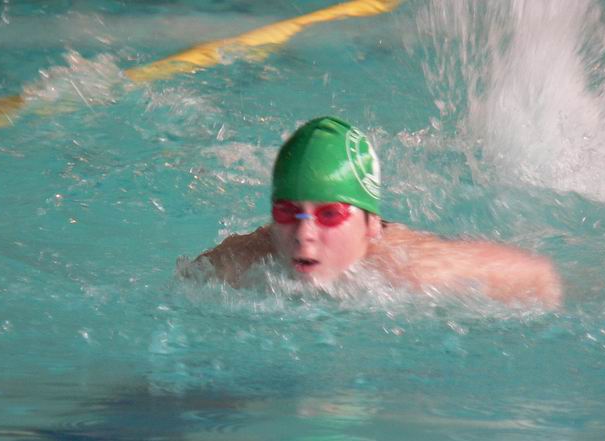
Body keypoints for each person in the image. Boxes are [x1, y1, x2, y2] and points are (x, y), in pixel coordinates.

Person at [191, 116, 563, 308]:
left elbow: (540, 276)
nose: (304, 234)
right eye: (288, 212)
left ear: (370, 223)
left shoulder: (414, 272)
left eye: (330, 215)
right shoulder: (234, 265)